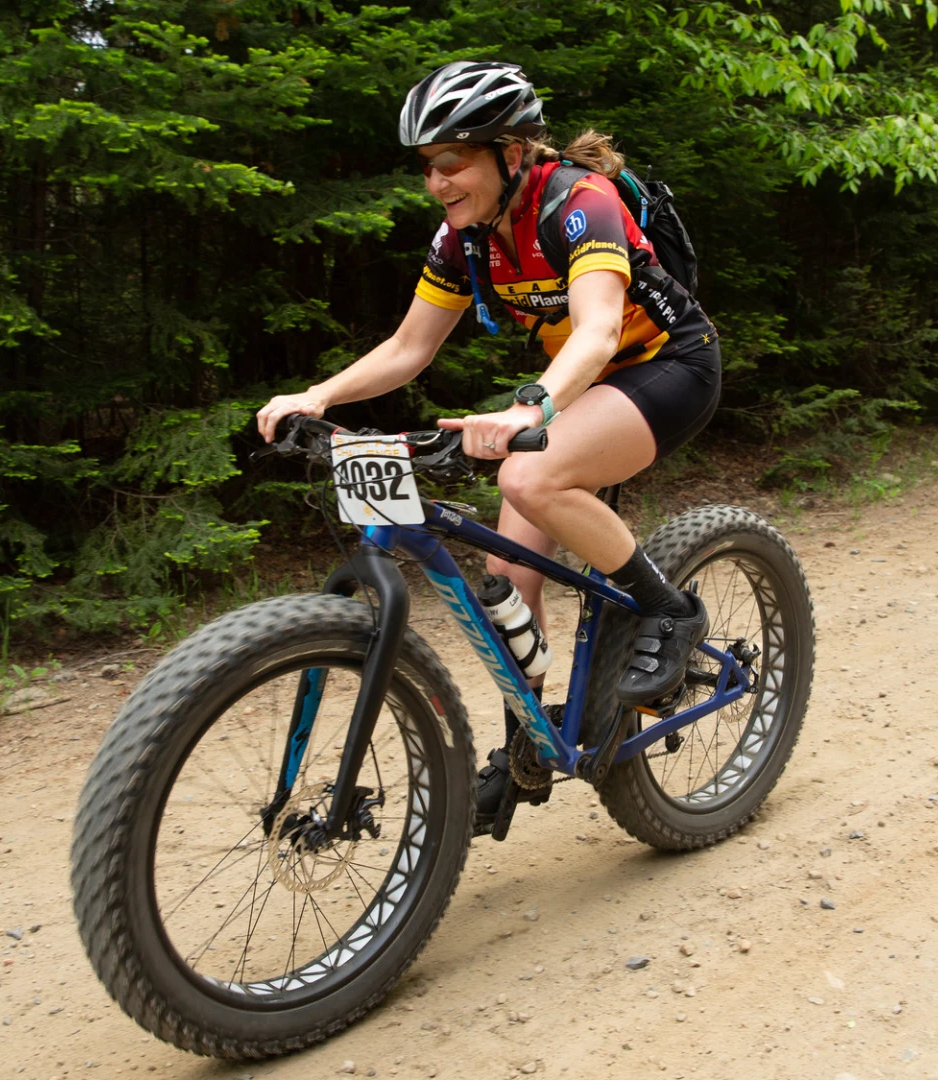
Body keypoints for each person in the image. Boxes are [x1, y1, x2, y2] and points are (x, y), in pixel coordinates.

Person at [256, 60, 722, 825]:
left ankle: (669, 612)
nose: (438, 182)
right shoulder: (463, 238)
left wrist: (530, 406)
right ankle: (528, 751)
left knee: (528, 480)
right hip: (584, 386)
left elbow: (602, 329)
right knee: (507, 578)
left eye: (454, 160)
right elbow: (409, 348)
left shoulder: (580, 202)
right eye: (428, 166)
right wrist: (318, 395)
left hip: (669, 366)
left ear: (512, 152)